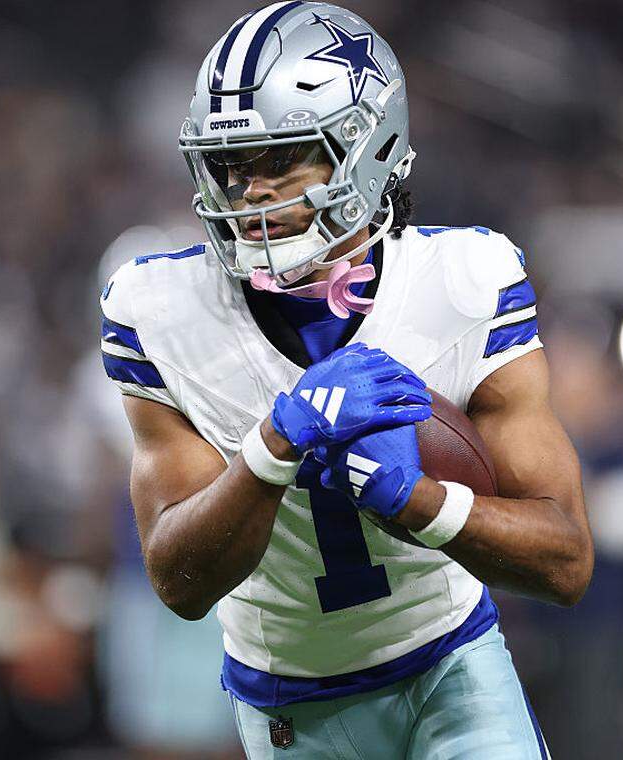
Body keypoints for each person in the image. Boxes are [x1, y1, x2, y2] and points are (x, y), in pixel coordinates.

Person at [99, 3, 592, 757]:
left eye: (280, 158)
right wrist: (271, 447)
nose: (250, 193)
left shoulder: (463, 282)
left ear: (367, 147)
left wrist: (420, 504)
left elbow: (565, 559)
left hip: (450, 661)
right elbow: (179, 582)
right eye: (231, 167)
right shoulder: (161, 311)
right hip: (292, 704)